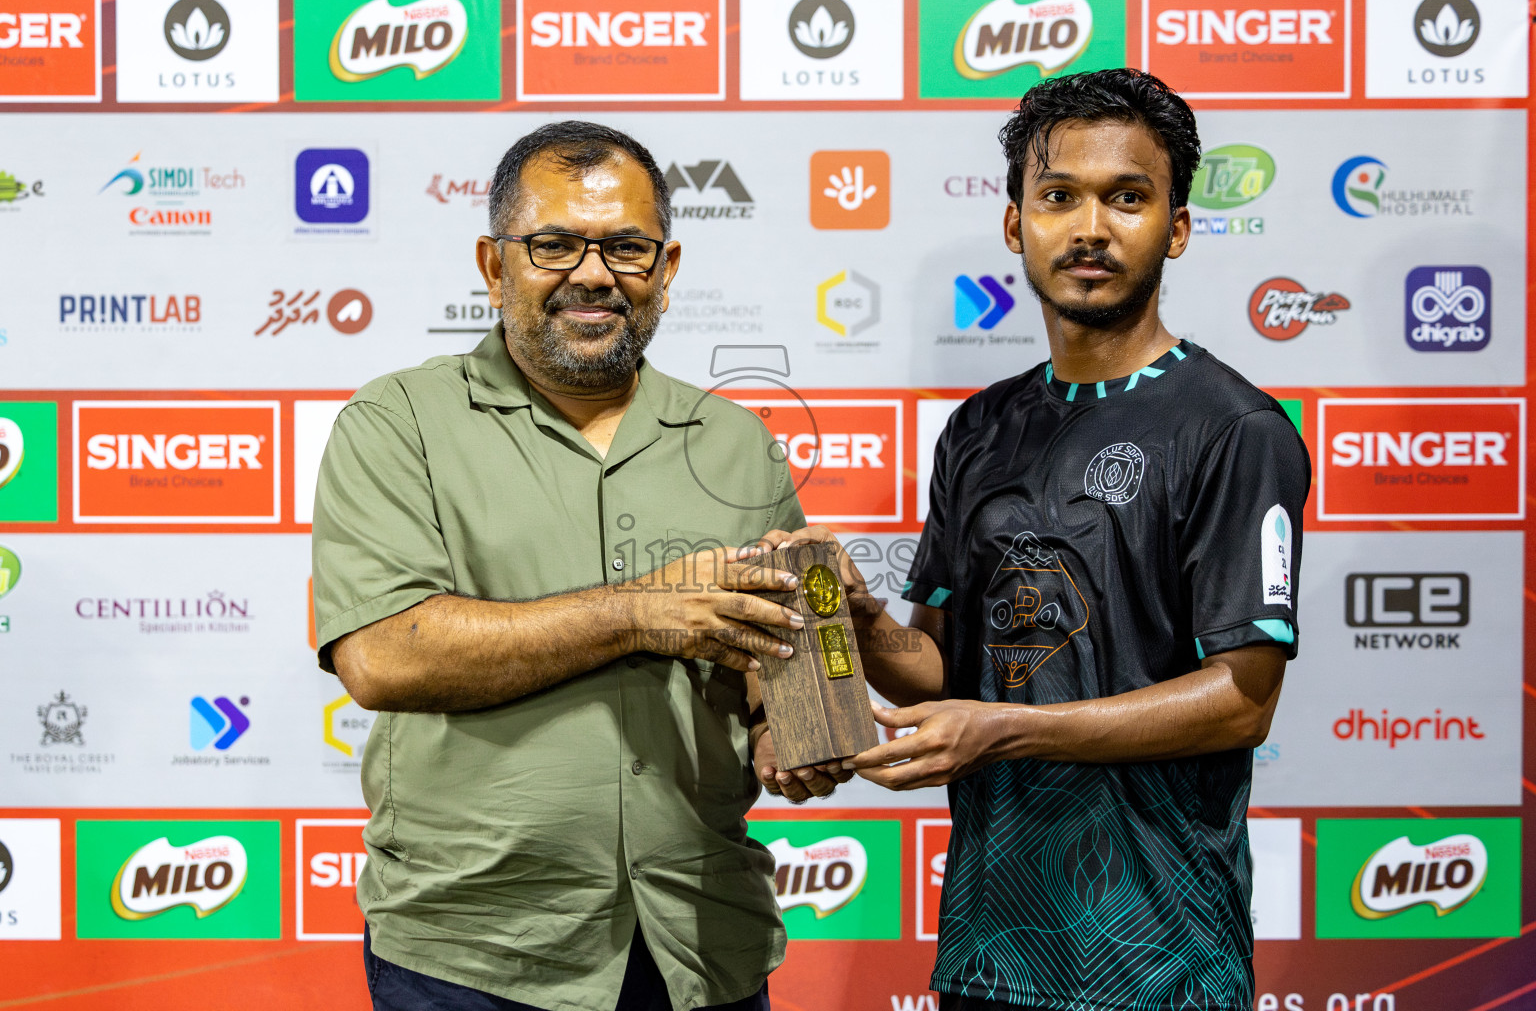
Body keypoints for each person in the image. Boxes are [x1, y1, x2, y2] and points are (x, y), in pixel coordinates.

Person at [768, 69, 1311, 1011]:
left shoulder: (1235, 430)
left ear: (1176, 228)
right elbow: (940, 668)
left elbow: (1242, 701)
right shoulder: (979, 429)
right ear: (1017, 224)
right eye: (1059, 197)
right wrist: (858, 622)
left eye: (1127, 198)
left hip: (1162, 960)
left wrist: (1008, 730)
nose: (1090, 227)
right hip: (991, 947)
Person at [310, 121, 848, 1011]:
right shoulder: (397, 422)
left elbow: (778, 661)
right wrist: (640, 612)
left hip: (701, 940)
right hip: (475, 954)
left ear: (665, 270)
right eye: (553, 244)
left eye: (626, 247)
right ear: (494, 264)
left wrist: (789, 730)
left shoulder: (739, 442)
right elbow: (383, 656)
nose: (593, 274)